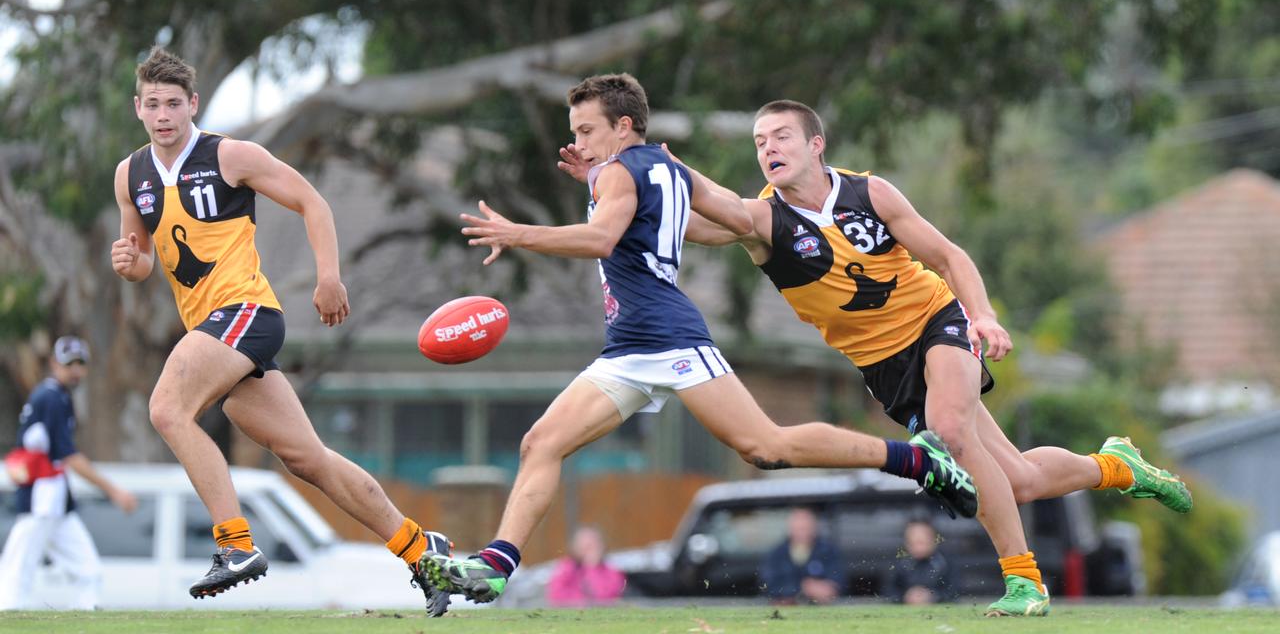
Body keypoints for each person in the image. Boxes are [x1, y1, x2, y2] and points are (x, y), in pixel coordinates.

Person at [420, 73, 977, 606]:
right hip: (629, 345)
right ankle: (495, 566)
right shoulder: (660, 168)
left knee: (766, 447)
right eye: (574, 133)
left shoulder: (620, 172)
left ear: (623, 127)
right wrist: (592, 178)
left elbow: (602, 236)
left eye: (587, 131)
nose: (578, 142)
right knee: (541, 443)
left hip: (668, 336)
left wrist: (520, 233)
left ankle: (915, 460)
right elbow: (716, 219)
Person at [675, 99, 1194, 616]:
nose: (769, 148)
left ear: (816, 144)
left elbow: (950, 256)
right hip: (886, 368)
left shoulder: (869, 192)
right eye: (760, 141)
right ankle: (1116, 466)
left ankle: (1024, 582)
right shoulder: (764, 219)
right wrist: (643, 183)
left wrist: (983, 315)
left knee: (949, 433)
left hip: (938, 321)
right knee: (1019, 481)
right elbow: (699, 218)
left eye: (781, 136)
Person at [110, 47, 452, 616]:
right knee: (307, 458)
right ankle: (422, 550)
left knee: (168, 409)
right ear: (138, 109)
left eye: (174, 103)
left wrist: (328, 278)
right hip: (215, 329)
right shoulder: (130, 174)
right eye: (153, 104)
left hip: (245, 312)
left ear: (193, 104)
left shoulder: (230, 154)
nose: (164, 114)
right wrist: (130, 262)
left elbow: (311, 202)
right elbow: (143, 257)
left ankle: (235, 545)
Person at [0, 336, 138, 610]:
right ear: (54, 363)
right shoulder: (50, 397)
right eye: (69, 363)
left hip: (56, 495)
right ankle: (7, 612)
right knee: (19, 564)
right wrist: (114, 490)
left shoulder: (59, 396)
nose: (75, 369)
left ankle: (88, 613)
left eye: (80, 363)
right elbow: (68, 456)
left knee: (88, 568)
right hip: (41, 493)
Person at [759, 508, 842, 605]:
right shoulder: (776, 554)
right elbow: (768, 585)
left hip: (822, 608)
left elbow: (839, 581)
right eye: (799, 528)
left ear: (814, 528)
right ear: (790, 529)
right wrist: (802, 588)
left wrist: (828, 589)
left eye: (806, 528)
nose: (803, 532)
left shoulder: (828, 551)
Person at [545, 525, 626, 607]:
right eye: (584, 545)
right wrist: (582, 601)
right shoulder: (566, 568)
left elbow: (607, 597)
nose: (588, 550)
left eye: (592, 545)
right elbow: (556, 595)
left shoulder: (611, 571)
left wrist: (592, 568)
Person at [885, 519, 956, 605]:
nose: (918, 547)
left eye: (921, 542)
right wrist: (905, 597)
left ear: (933, 541)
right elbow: (888, 591)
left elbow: (954, 592)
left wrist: (933, 596)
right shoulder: (899, 563)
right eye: (912, 543)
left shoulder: (945, 562)